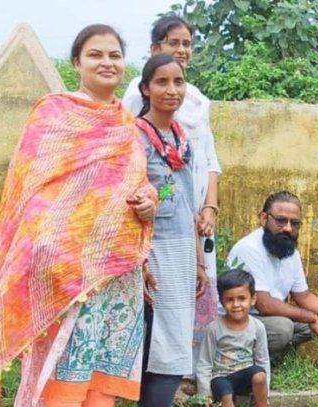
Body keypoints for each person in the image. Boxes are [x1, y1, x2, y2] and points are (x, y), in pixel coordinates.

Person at [0, 24, 156, 407]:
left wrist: (148, 204)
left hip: (118, 274)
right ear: (77, 62)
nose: (107, 62)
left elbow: (135, 186)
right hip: (69, 276)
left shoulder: (127, 127)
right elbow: (31, 192)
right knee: (70, 368)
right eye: (96, 54)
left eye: (114, 54)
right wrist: (54, 247)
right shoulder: (54, 114)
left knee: (106, 371)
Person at [123, 14, 222, 374]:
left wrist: (207, 206)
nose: (180, 50)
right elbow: (140, 175)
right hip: (155, 229)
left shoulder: (194, 107)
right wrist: (159, 196)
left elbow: (207, 159)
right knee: (156, 309)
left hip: (189, 222)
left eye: (186, 44)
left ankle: (189, 372)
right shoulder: (138, 112)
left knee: (190, 299)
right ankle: (146, 378)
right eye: (172, 42)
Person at [134, 53, 208, 407]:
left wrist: (199, 260)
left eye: (178, 82)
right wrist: (140, 259)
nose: (171, 90)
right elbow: (128, 201)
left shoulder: (182, 137)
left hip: (181, 254)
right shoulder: (136, 136)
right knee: (153, 347)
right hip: (152, 253)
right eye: (162, 82)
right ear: (145, 88)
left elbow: (184, 200)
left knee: (172, 346)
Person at [226, 190, 318, 358]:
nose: (288, 228)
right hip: (237, 320)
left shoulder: (288, 251)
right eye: (281, 220)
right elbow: (264, 304)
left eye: (294, 223)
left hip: (265, 320)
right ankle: (239, 362)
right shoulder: (249, 249)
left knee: (309, 325)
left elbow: (304, 297)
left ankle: (267, 361)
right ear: (264, 219)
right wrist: (311, 316)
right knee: (283, 328)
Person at [197, 269, 274, 407]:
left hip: (245, 375)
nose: (236, 305)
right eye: (229, 300)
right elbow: (204, 362)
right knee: (224, 391)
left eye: (242, 298)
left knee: (259, 375)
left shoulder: (258, 327)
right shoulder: (214, 328)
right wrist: (204, 393)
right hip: (222, 377)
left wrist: (265, 391)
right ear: (222, 301)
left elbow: (262, 360)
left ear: (253, 299)